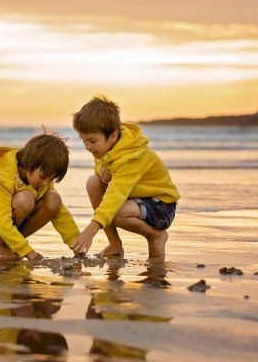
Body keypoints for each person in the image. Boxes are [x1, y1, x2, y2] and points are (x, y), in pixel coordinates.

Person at [71, 95, 180, 259]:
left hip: (161, 206)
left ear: (113, 136)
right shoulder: (107, 147)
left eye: (92, 141)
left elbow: (115, 196)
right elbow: (101, 164)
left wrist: (92, 229)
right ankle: (115, 244)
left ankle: (156, 236)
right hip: (136, 199)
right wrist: (101, 170)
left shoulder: (130, 158)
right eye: (83, 140)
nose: (87, 146)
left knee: (115, 212)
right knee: (93, 182)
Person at [0, 131, 80, 261]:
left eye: (51, 179)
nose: (46, 183)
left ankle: (10, 244)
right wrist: (29, 253)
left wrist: (76, 243)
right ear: (29, 162)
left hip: (5, 223)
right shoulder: (0, 178)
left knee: (53, 199)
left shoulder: (40, 179)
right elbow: (3, 223)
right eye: (43, 177)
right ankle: (0, 246)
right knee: (25, 198)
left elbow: (60, 213)